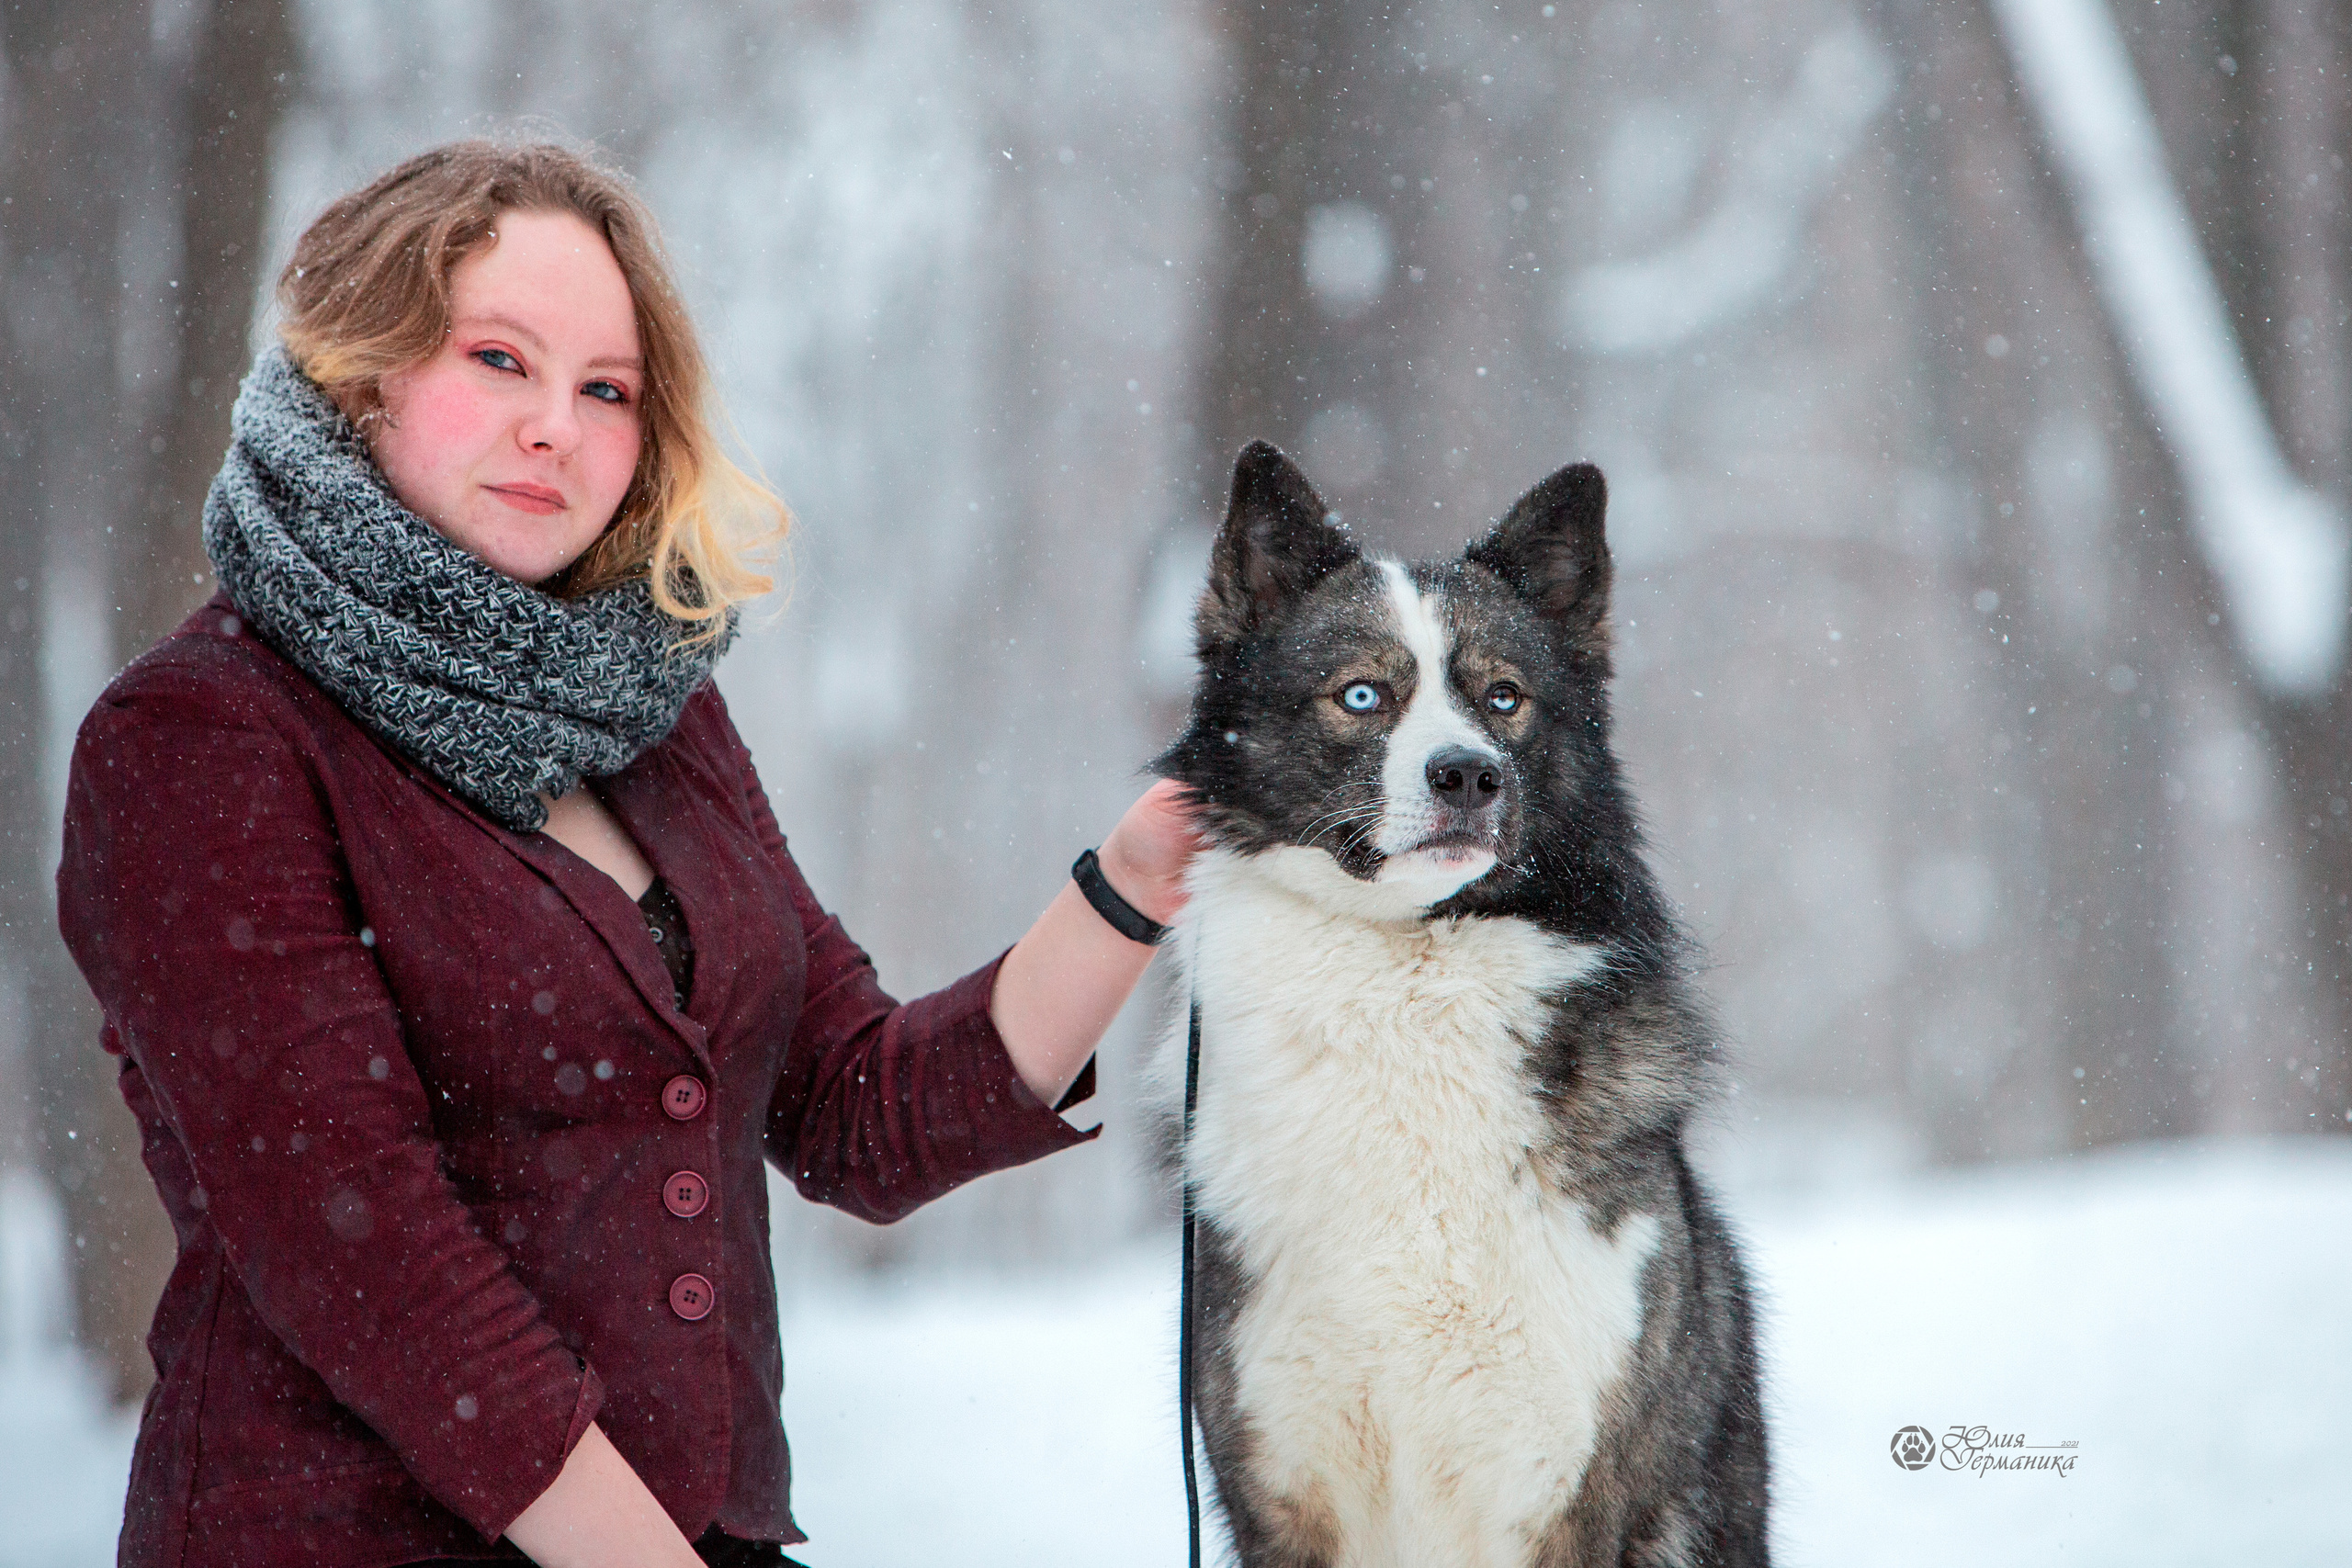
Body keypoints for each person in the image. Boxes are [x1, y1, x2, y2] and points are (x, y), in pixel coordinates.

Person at [55, 139, 1197, 1568]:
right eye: (499, 360)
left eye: (607, 389)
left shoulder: (651, 715)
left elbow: (859, 1110)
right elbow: (363, 1252)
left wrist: (1134, 881)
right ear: (362, 372)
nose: (556, 427)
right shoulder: (202, 733)